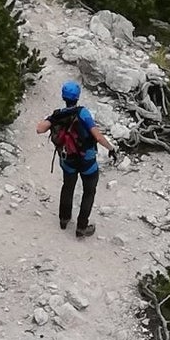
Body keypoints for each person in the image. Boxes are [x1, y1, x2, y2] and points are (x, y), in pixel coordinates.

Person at [37, 80, 112, 237]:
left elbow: (39, 129)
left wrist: (52, 118)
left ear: (64, 97)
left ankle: (64, 220)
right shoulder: (83, 113)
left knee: (68, 187)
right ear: (77, 97)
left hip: (68, 159)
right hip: (87, 160)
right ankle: (81, 228)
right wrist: (111, 149)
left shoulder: (58, 115)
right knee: (89, 192)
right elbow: (97, 136)